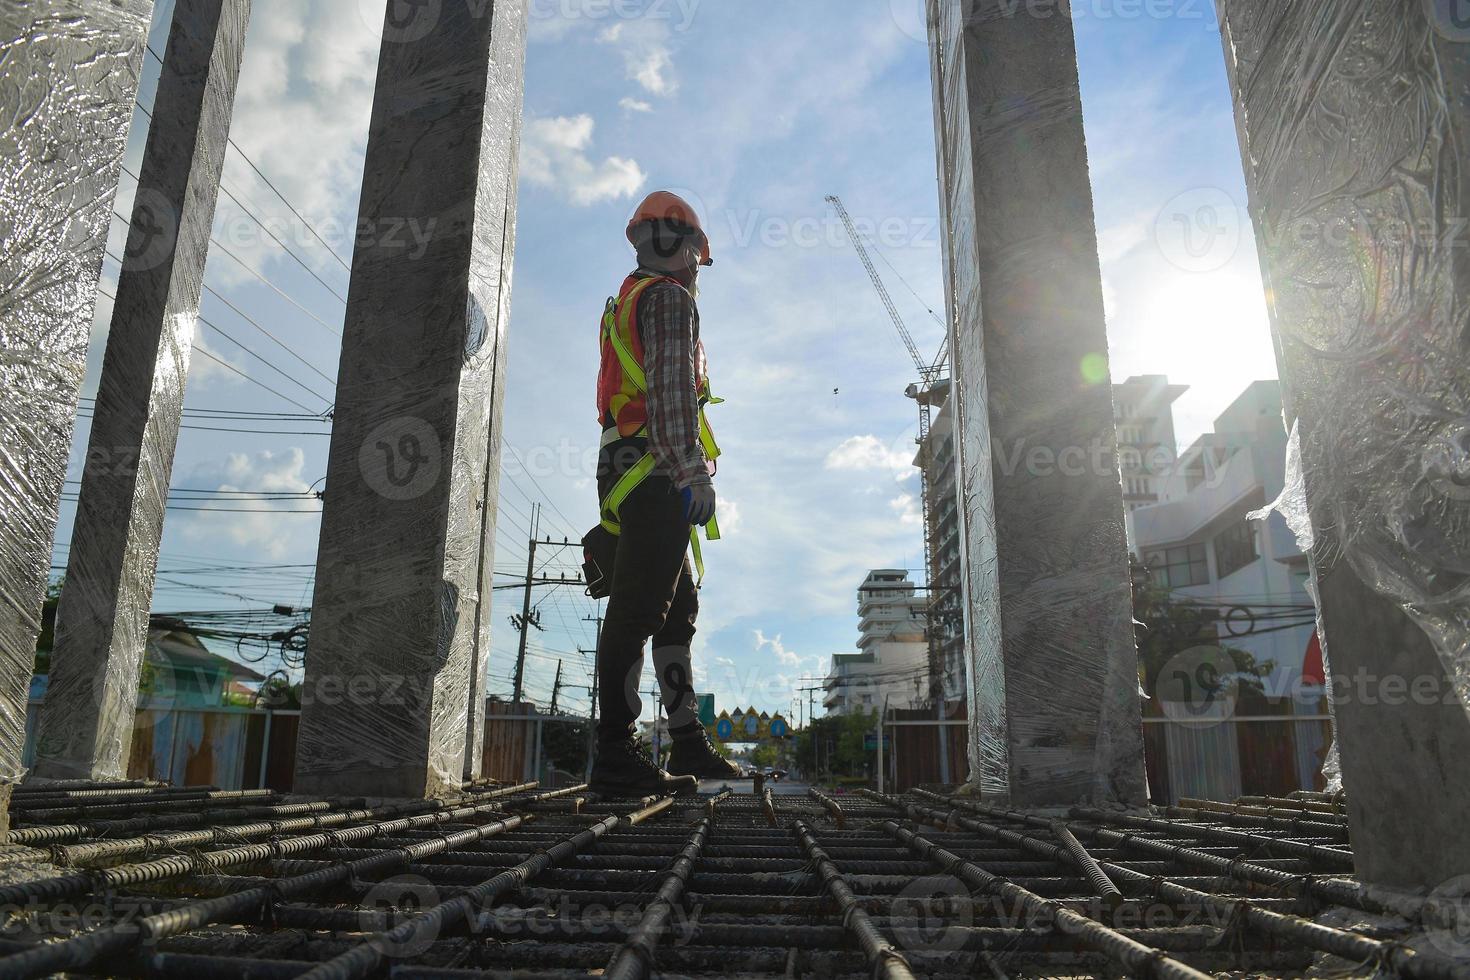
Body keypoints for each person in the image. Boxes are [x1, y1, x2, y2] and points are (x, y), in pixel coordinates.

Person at [587, 190, 742, 796]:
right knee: (639, 610)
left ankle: (685, 742)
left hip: (626, 466)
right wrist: (691, 472)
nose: (695, 275)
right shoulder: (670, 300)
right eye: (696, 260)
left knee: (676, 609)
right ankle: (615, 754)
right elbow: (672, 393)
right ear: (683, 248)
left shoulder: (625, 300)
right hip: (655, 469)